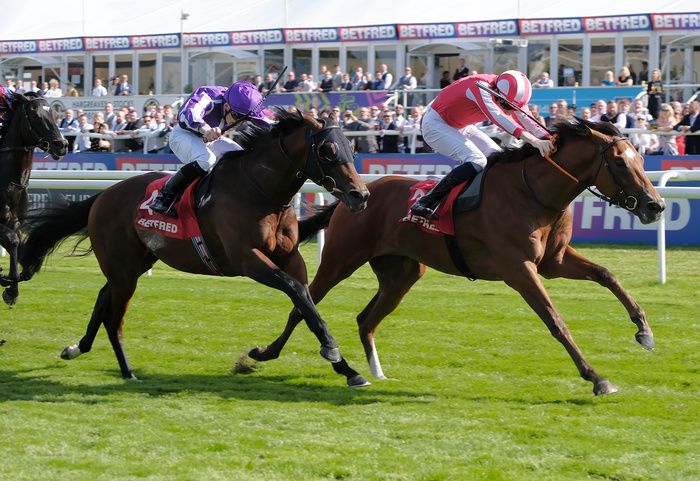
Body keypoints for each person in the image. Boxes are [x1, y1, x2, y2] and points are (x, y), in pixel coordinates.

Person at [410, 70, 553, 219]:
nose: (509, 110)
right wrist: (534, 141)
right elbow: (498, 117)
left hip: (461, 125)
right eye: (507, 106)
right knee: (477, 160)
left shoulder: (508, 93)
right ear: (498, 92)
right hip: (435, 124)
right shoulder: (479, 86)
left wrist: (549, 137)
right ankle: (427, 201)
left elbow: (525, 118)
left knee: (498, 159)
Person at [150, 81, 272, 216]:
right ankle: (165, 196)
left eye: (247, 119)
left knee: (239, 158)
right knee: (206, 160)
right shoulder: (209, 95)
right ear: (226, 106)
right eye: (238, 117)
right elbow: (187, 113)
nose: (241, 122)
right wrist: (206, 129)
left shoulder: (240, 103)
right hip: (183, 135)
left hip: (210, 140)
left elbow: (268, 122)